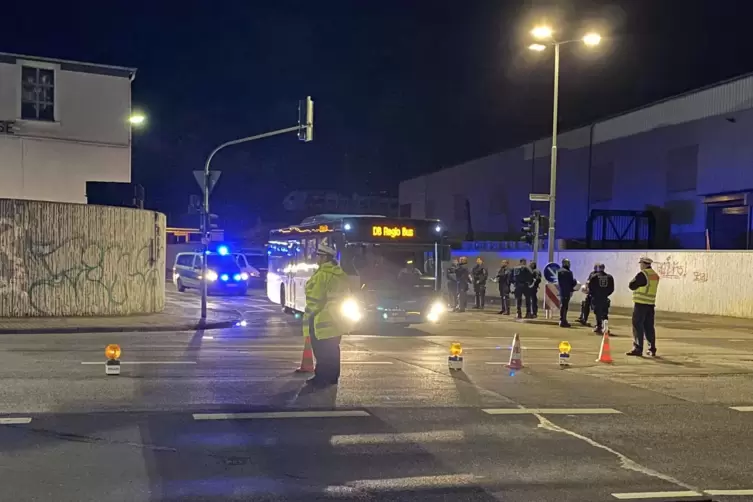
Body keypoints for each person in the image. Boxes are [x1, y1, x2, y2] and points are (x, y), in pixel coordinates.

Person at [303, 241, 350, 387]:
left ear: (324, 258)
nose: (316, 258)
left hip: (321, 319)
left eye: (318, 255)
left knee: (321, 351)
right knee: (333, 350)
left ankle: (321, 378)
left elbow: (315, 300)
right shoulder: (340, 274)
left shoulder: (322, 275)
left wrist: (309, 315)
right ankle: (332, 378)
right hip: (337, 319)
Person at [627, 257, 661, 357]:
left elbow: (631, 285)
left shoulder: (643, 274)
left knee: (637, 325)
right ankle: (652, 348)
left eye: (641, 264)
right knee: (649, 327)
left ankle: (638, 348)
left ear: (644, 264)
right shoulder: (655, 275)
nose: (640, 266)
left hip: (640, 304)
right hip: (650, 304)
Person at [588, 263, 615, 334]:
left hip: (596, 298)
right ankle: (605, 327)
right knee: (605, 312)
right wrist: (606, 294)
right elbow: (611, 288)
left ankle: (599, 326)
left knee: (597, 312)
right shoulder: (609, 277)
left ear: (598, 268)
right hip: (605, 297)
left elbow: (590, 287)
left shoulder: (594, 277)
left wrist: (592, 294)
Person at [556, 258, 578, 327]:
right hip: (567, 291)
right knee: (565, 306)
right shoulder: (569, 272)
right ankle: (563, 320)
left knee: (562, 305)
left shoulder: (559, 271)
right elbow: (571, 282)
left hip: (562, 290)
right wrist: (575, 282)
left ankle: (562, 319)